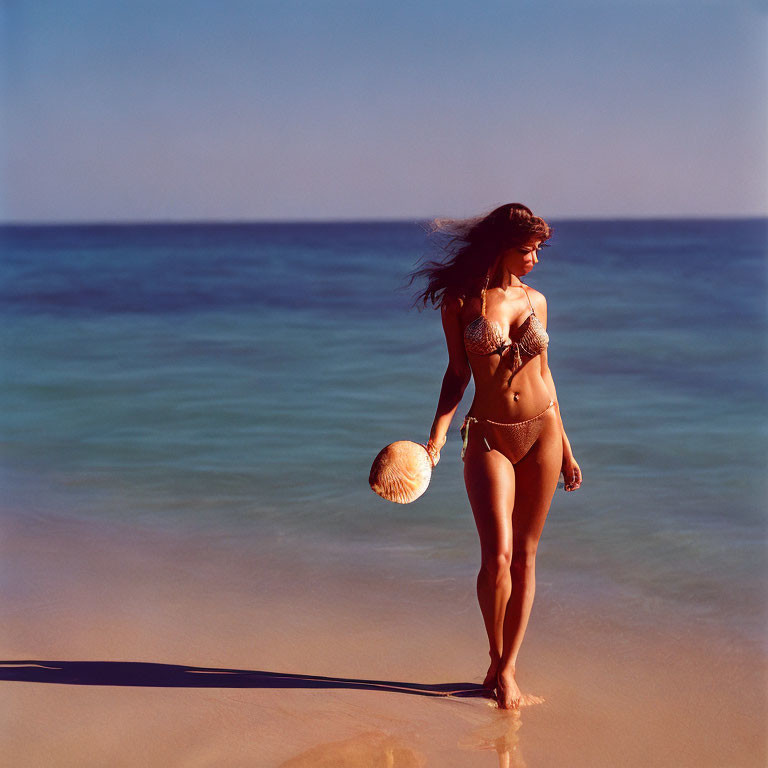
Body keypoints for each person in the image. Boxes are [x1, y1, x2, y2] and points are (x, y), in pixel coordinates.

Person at [409, 203, 582, 710]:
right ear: (500, 246)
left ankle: (507, 671)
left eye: (538, 250)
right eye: (527, 249)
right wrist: (436, 438)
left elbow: (546, 378)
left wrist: (568, 450)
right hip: (486, 433)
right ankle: (494, 654)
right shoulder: (462, 301)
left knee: (526, 557)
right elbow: (456, 375)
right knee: (497, 556)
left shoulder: (537, 301)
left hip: (543, 432)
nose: (534, 259)